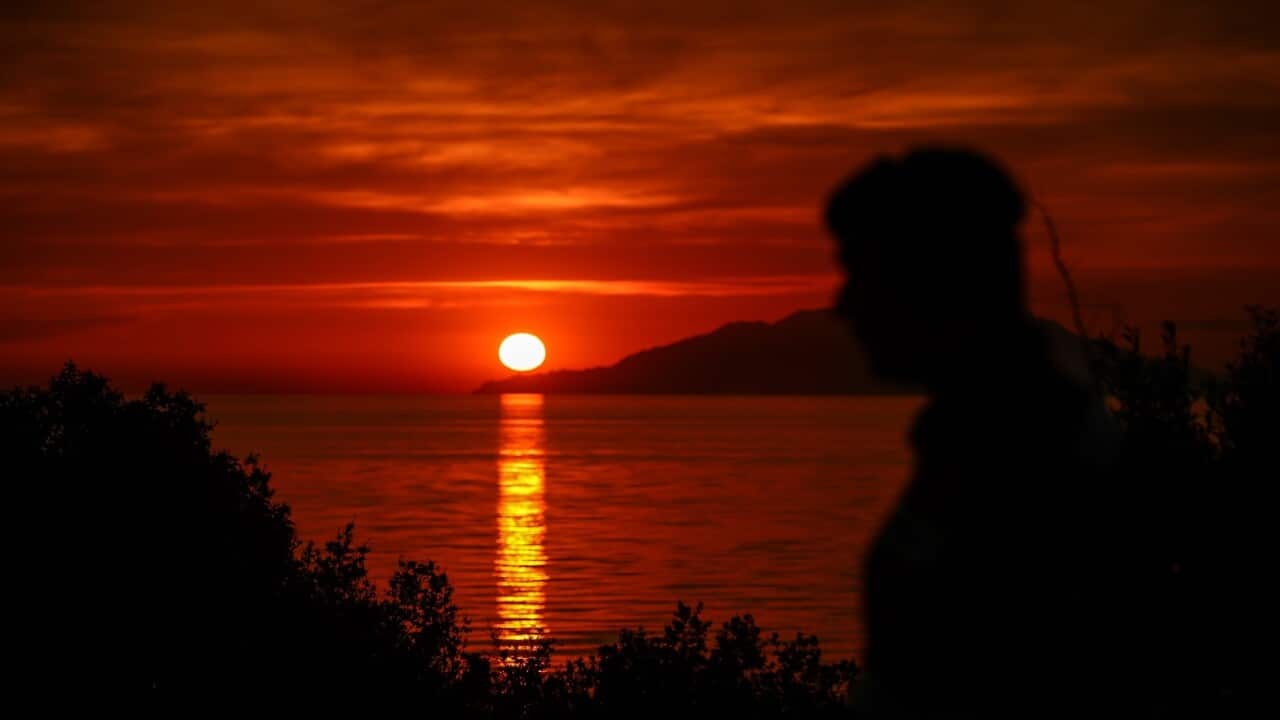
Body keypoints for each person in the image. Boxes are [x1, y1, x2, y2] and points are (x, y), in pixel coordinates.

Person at [826, 148, 1131, 717]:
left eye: (860, 273)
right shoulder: (977, 437)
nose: (843, 305)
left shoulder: (1037, 454)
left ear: (933, 281)